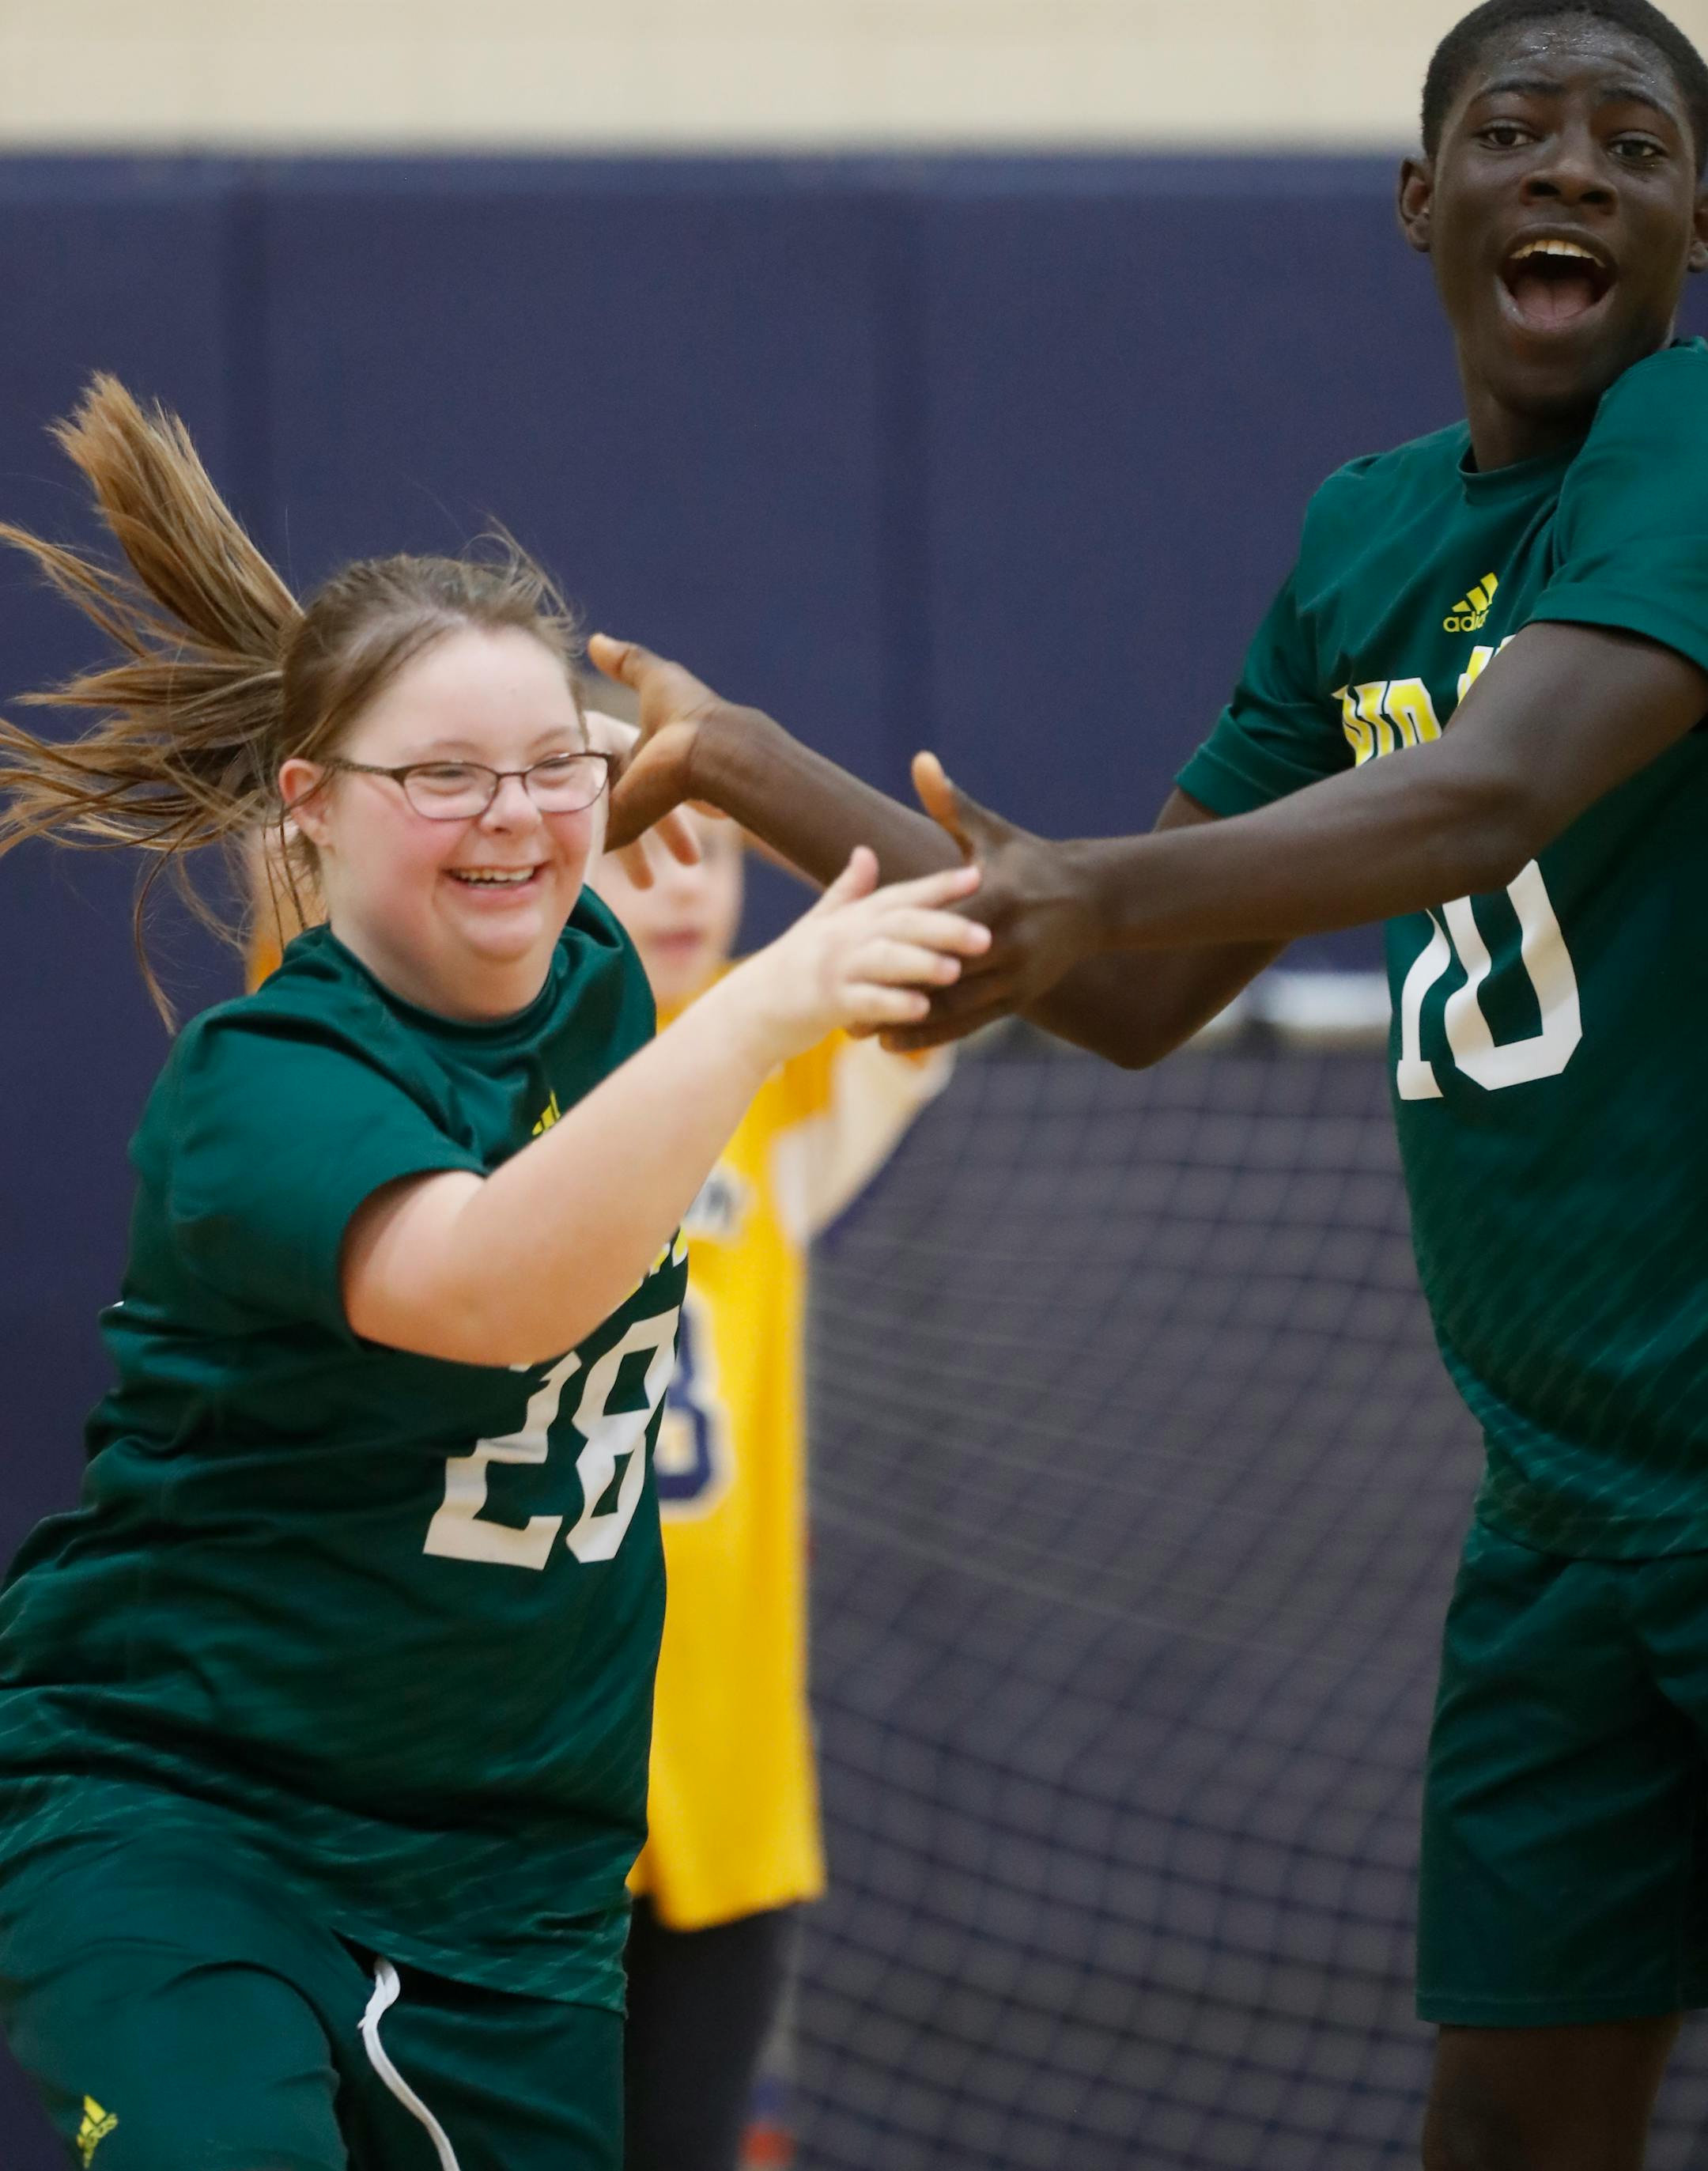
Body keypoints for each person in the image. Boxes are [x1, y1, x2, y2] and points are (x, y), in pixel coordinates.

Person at [586, 5, 1708, 2163]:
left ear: (1699, 222)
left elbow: (1497, 792)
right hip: (1561, 1499)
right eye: (1513, 134)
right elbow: (1119, 979)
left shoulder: (1687, 445)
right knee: (1505, 2127)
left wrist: (1086, 890)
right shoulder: (1360, 539)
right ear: (1420, 201)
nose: (1570, 173)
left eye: (1632, 146)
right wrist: (748, 758)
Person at [0, 376, 988, 2171]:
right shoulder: (264, 1085)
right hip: (199, 1813)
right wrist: (757, 1011)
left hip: (518, 1879)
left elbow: (998, 932)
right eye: (441, 775)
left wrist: (746, 751)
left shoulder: (604, 987)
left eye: (553, 768)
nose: (511, 814)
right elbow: (487, 1291)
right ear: (310, 804)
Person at [591, 812, 950, 2171]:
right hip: (512, 1771)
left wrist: (756, 764)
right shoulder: (449, 1069)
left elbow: (963, 936)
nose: (684, 884)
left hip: (727, 1779)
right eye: (636, 847)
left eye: (717, 845)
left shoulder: (779, 1074)